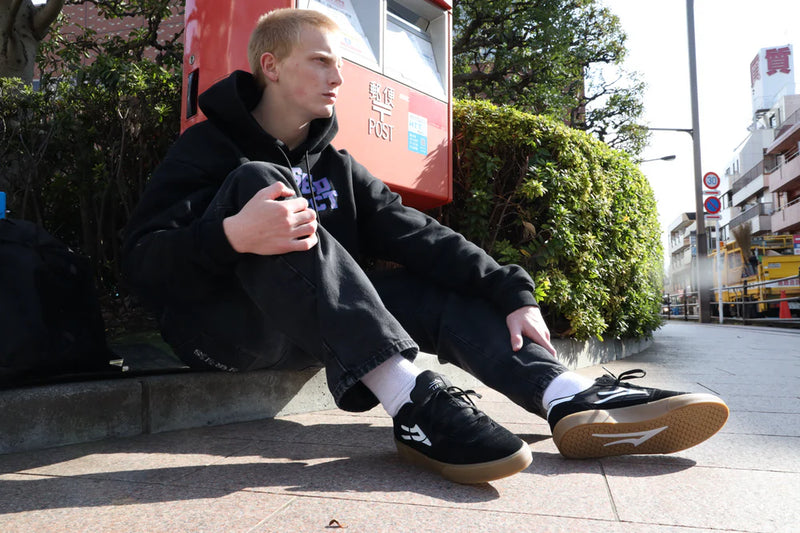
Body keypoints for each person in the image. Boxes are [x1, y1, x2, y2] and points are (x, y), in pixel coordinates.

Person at [123, 8, 729, 484]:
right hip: (224, 332)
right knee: (260, 183)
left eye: (341, 64)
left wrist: (510, 289)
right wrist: (231, 235)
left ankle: (567, 398)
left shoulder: (337, 165)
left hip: (311, 326)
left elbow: (419, 235)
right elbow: (142, 263)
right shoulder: (205, 149)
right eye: (320, 62)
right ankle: (413, 403)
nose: (339, 77)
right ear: (271, 66)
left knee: (433, 288)